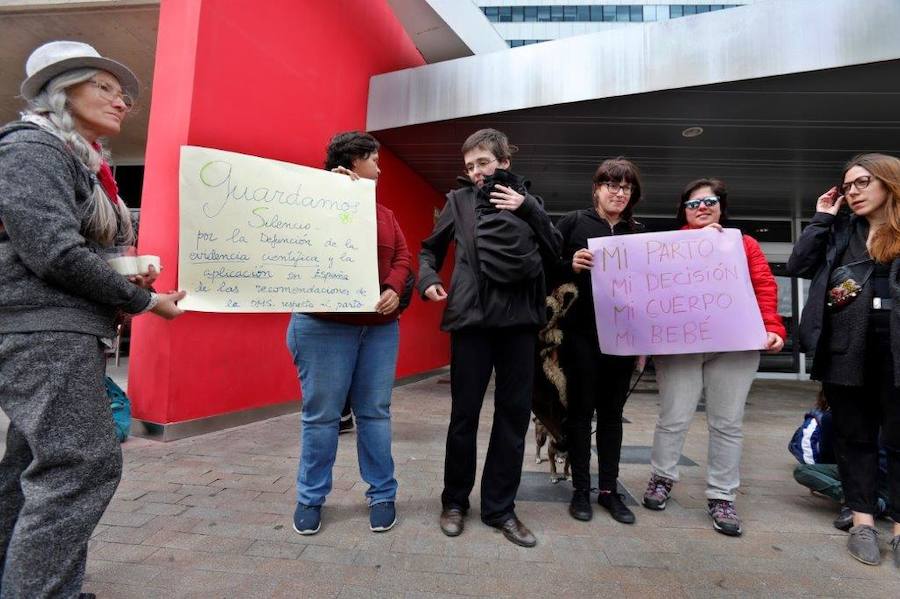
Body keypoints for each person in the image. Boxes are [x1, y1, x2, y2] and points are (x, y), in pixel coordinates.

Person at [0, 40, 185, 598]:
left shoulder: (73, 157)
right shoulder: (33, 150)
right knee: (80, 466)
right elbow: (53, 251)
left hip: (52, 328)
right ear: (60, 91)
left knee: (31, 467)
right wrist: (146, 302)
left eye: (121, 91)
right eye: (102, 86)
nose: (121, 99)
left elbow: (58, 248)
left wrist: (121, 279)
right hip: (43, 330)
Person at [418, 128, 561, 547]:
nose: (477, 172)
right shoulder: (458, 202)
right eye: (470, 166)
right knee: (464, 416)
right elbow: (430, 250)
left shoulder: (530, 203)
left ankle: (500, 509)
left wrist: (529, 209)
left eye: (483, 162)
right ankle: (455, 502)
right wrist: (427, 279)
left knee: (513, 417)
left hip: (518, 324)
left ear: (504, 162)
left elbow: (556, 253)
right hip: (471, 322)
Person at [640, 178, 785, 536]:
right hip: (681, 345)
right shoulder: (668, 246)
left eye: (710, 201)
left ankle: (722, 495)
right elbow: (648, 292)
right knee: (673, 415)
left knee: (727, 422)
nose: (702, 207)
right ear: (683, 211)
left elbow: (764, 286)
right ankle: (662, 477)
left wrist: (773, 327)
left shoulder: (742, 243)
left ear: (721, 205)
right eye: (694, 203)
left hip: (735, 345)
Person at [286, 131, 412, 536]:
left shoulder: (384, 213)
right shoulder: (313, 200)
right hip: (323, 325)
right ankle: (310, 498)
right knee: (321, 417)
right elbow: (298, 240)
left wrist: (393, 287)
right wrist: (329, 193)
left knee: (375, 413)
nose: (380, 167)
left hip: (377, 329)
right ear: (355, 160)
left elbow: (402, 255)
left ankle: (382, 494)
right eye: (374, 159)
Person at [788, 153, 900, 567]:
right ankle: (863, 522)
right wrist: (820, 217)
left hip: (896, 355)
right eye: (848, 185)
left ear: (889, 183)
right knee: (854, 440)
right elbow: (799, 265)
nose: (853, 192)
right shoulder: (841, 232)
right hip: (846, 355)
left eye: (862, 183)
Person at [554, 157, 645, 525]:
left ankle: (608, 490)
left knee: (612, 416)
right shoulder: (573, 223)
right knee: (579, 414)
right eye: (612, 185)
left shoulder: (639, 233)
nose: (619, 192)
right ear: (596, 188)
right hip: (580, 336)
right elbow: (543, 265)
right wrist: (569, 265)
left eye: (626, 188)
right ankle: (580, 490)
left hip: (622, 339)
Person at [790, 391, 889, 531]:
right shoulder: (885, 412)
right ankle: (869, 501)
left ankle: (856, 499)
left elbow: (828, 456)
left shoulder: (832, 417)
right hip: (878, 478)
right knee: (804, 471)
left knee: (803, 472)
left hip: (870, 475)